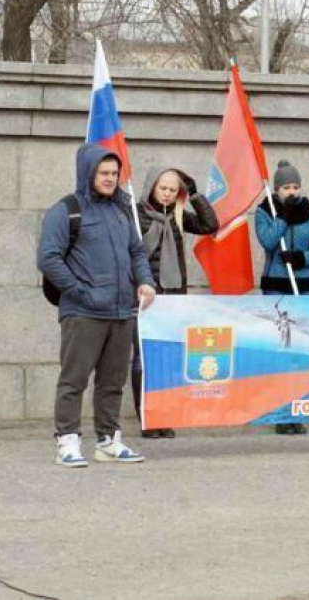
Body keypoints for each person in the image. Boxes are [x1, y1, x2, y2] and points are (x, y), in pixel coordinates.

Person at [38, 143, 156, 468]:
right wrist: (80, 291)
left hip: (122, 311)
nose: (110, 178)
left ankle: (108, 441)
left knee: (112, 381)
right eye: (103, 173)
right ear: (88, 172)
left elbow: (136, 252)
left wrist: (145, 282)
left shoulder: (121, 211)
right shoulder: (66, 210)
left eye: (114, 173)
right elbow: (48, 258)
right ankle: (67, 441)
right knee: (73, 379)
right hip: (83, 312)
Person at [131, 167, 219, 439]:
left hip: (173, 297)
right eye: (163, 188)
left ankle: (163, 417)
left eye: (172, 190)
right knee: (143, 360)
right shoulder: (135, 214)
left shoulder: (178, 216)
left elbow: (210, 225)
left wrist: (193, 194)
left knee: (168, 358)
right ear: (151, 188)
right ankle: (147, 417)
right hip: (144, 297)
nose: (168, 194)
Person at [255, 160, 309, 435]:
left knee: (300, 353)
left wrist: (301, 257)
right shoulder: (265, 211)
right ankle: (280, 413)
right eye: (286, 187)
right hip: (276, 290)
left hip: (303, 289)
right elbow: (267, 241)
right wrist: (282, 218)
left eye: (296, 186)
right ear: (277, 189)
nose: (292, 191)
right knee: (280, 352)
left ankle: (297, 411)